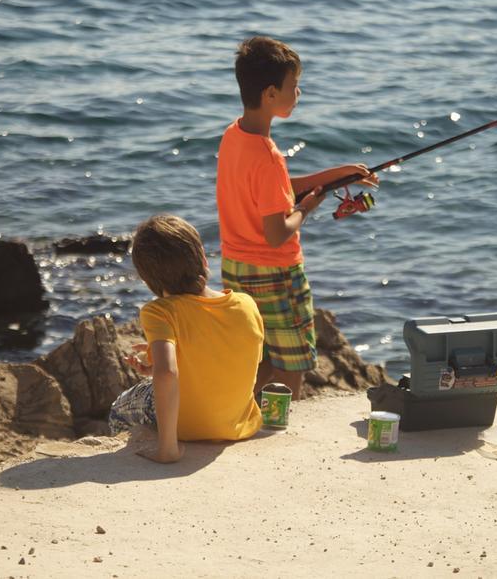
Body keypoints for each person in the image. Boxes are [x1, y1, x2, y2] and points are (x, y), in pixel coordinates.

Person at [216, 36, 378, 400]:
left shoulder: (234, 136)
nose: (299, 92)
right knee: (291, 362)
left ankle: (242, 415)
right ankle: (272, 428)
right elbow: (277, 231)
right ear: (271, 94)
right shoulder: (268, 156)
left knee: (257, 356)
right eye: (293, 86)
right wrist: (307, 208)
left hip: (236, 267)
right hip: (276, 272)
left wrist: (337, 175)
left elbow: (275, 190)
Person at [108, 214, 264, 463]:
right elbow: (234, 359)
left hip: (186, 429)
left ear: (147, 279)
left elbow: (168, 373)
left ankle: (148, 448)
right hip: (238, 425)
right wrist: (157, 366)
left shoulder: (159, 311)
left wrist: (167, 447)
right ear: (202, 258)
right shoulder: (246, 304)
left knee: (119, 407)